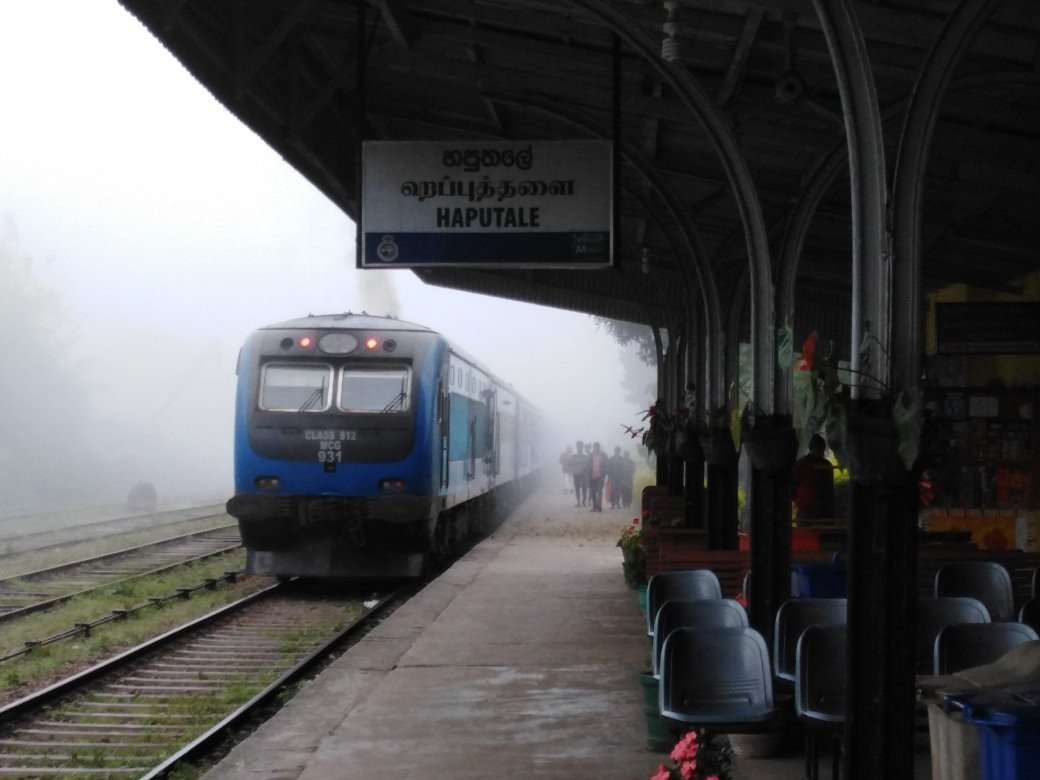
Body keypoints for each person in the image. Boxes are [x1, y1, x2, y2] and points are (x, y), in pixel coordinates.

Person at [792, 434, 835, 520]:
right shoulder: (801, 465)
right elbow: (793, 486)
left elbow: (830, 488)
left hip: (822, 509)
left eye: (822, 449)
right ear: (811, 448)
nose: (820, 452)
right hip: (806, 508)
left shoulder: (826, 465)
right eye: (818, 448)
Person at [587, 442, 610, 512]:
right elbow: (587, 464)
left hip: (600, 476)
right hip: (592, 476)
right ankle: (594, 506)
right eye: (595, 447)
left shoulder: (604, 455)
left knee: (599, 490)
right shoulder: (590, 455)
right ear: (593, 447)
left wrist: (604, 473)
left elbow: (607, 465)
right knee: (593, 491)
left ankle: (599, 506)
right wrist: (588, 473)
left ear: (599, 447)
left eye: (597, 447)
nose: (596, 448)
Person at [570, 441, 589, 507]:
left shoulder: (585, 456)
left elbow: (587, 465)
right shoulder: (574, 456)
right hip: (576, 474)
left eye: (580, 446)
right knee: (577, 488)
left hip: (583, 474)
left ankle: (584, 500)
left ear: (582, 447)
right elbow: (570, 465)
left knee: (584, 488)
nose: (579, 447)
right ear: (577, 447)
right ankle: (578, 502)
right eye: (578, 446)